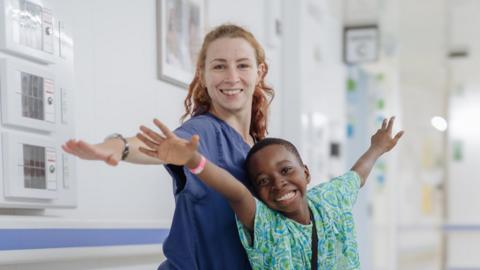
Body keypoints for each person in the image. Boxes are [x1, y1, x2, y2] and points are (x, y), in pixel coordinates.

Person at [62, 24, 273, 269]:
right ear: (203, 76)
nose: (232, 77)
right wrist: (119, 146)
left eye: (242, 65)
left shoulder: (259, 150)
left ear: (260, 72)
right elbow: (166, 146)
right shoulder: (204, 131)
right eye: (219, 66)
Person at [136, 117, 404, 269]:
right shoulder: (266, 227)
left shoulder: (329, 200)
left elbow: (357, 176)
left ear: (306, 173)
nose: (278, 183)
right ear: (259, 192)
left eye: (286, 170)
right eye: (264, 180)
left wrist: (378, 148)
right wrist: (194, 160)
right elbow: (236, 193)